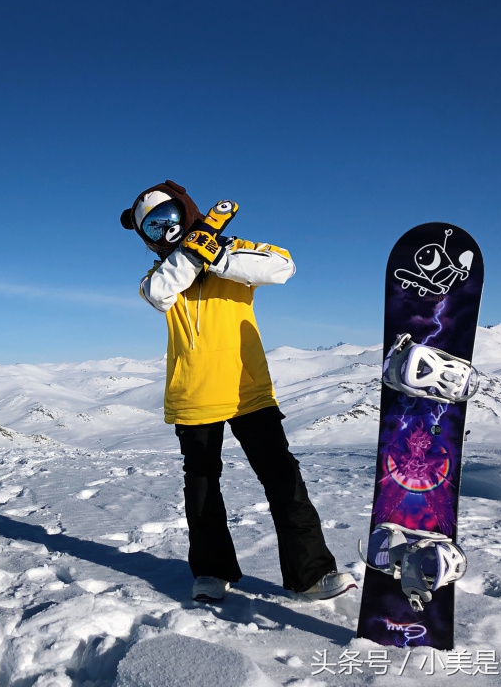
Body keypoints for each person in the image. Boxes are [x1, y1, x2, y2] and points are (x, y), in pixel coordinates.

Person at [120, 180, 356, 602]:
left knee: (283, 479)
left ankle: (312, 574)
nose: (164, 232)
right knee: (203, 487)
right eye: (152, 229)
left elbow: (283, 266)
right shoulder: (159, 274)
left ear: (185, 210)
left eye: (168, 219)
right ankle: (211, 572)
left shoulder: (234, 251)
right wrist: (194, 250)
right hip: (194, 395)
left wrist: (220, 254)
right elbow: (159, 294)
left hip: (248, 389)